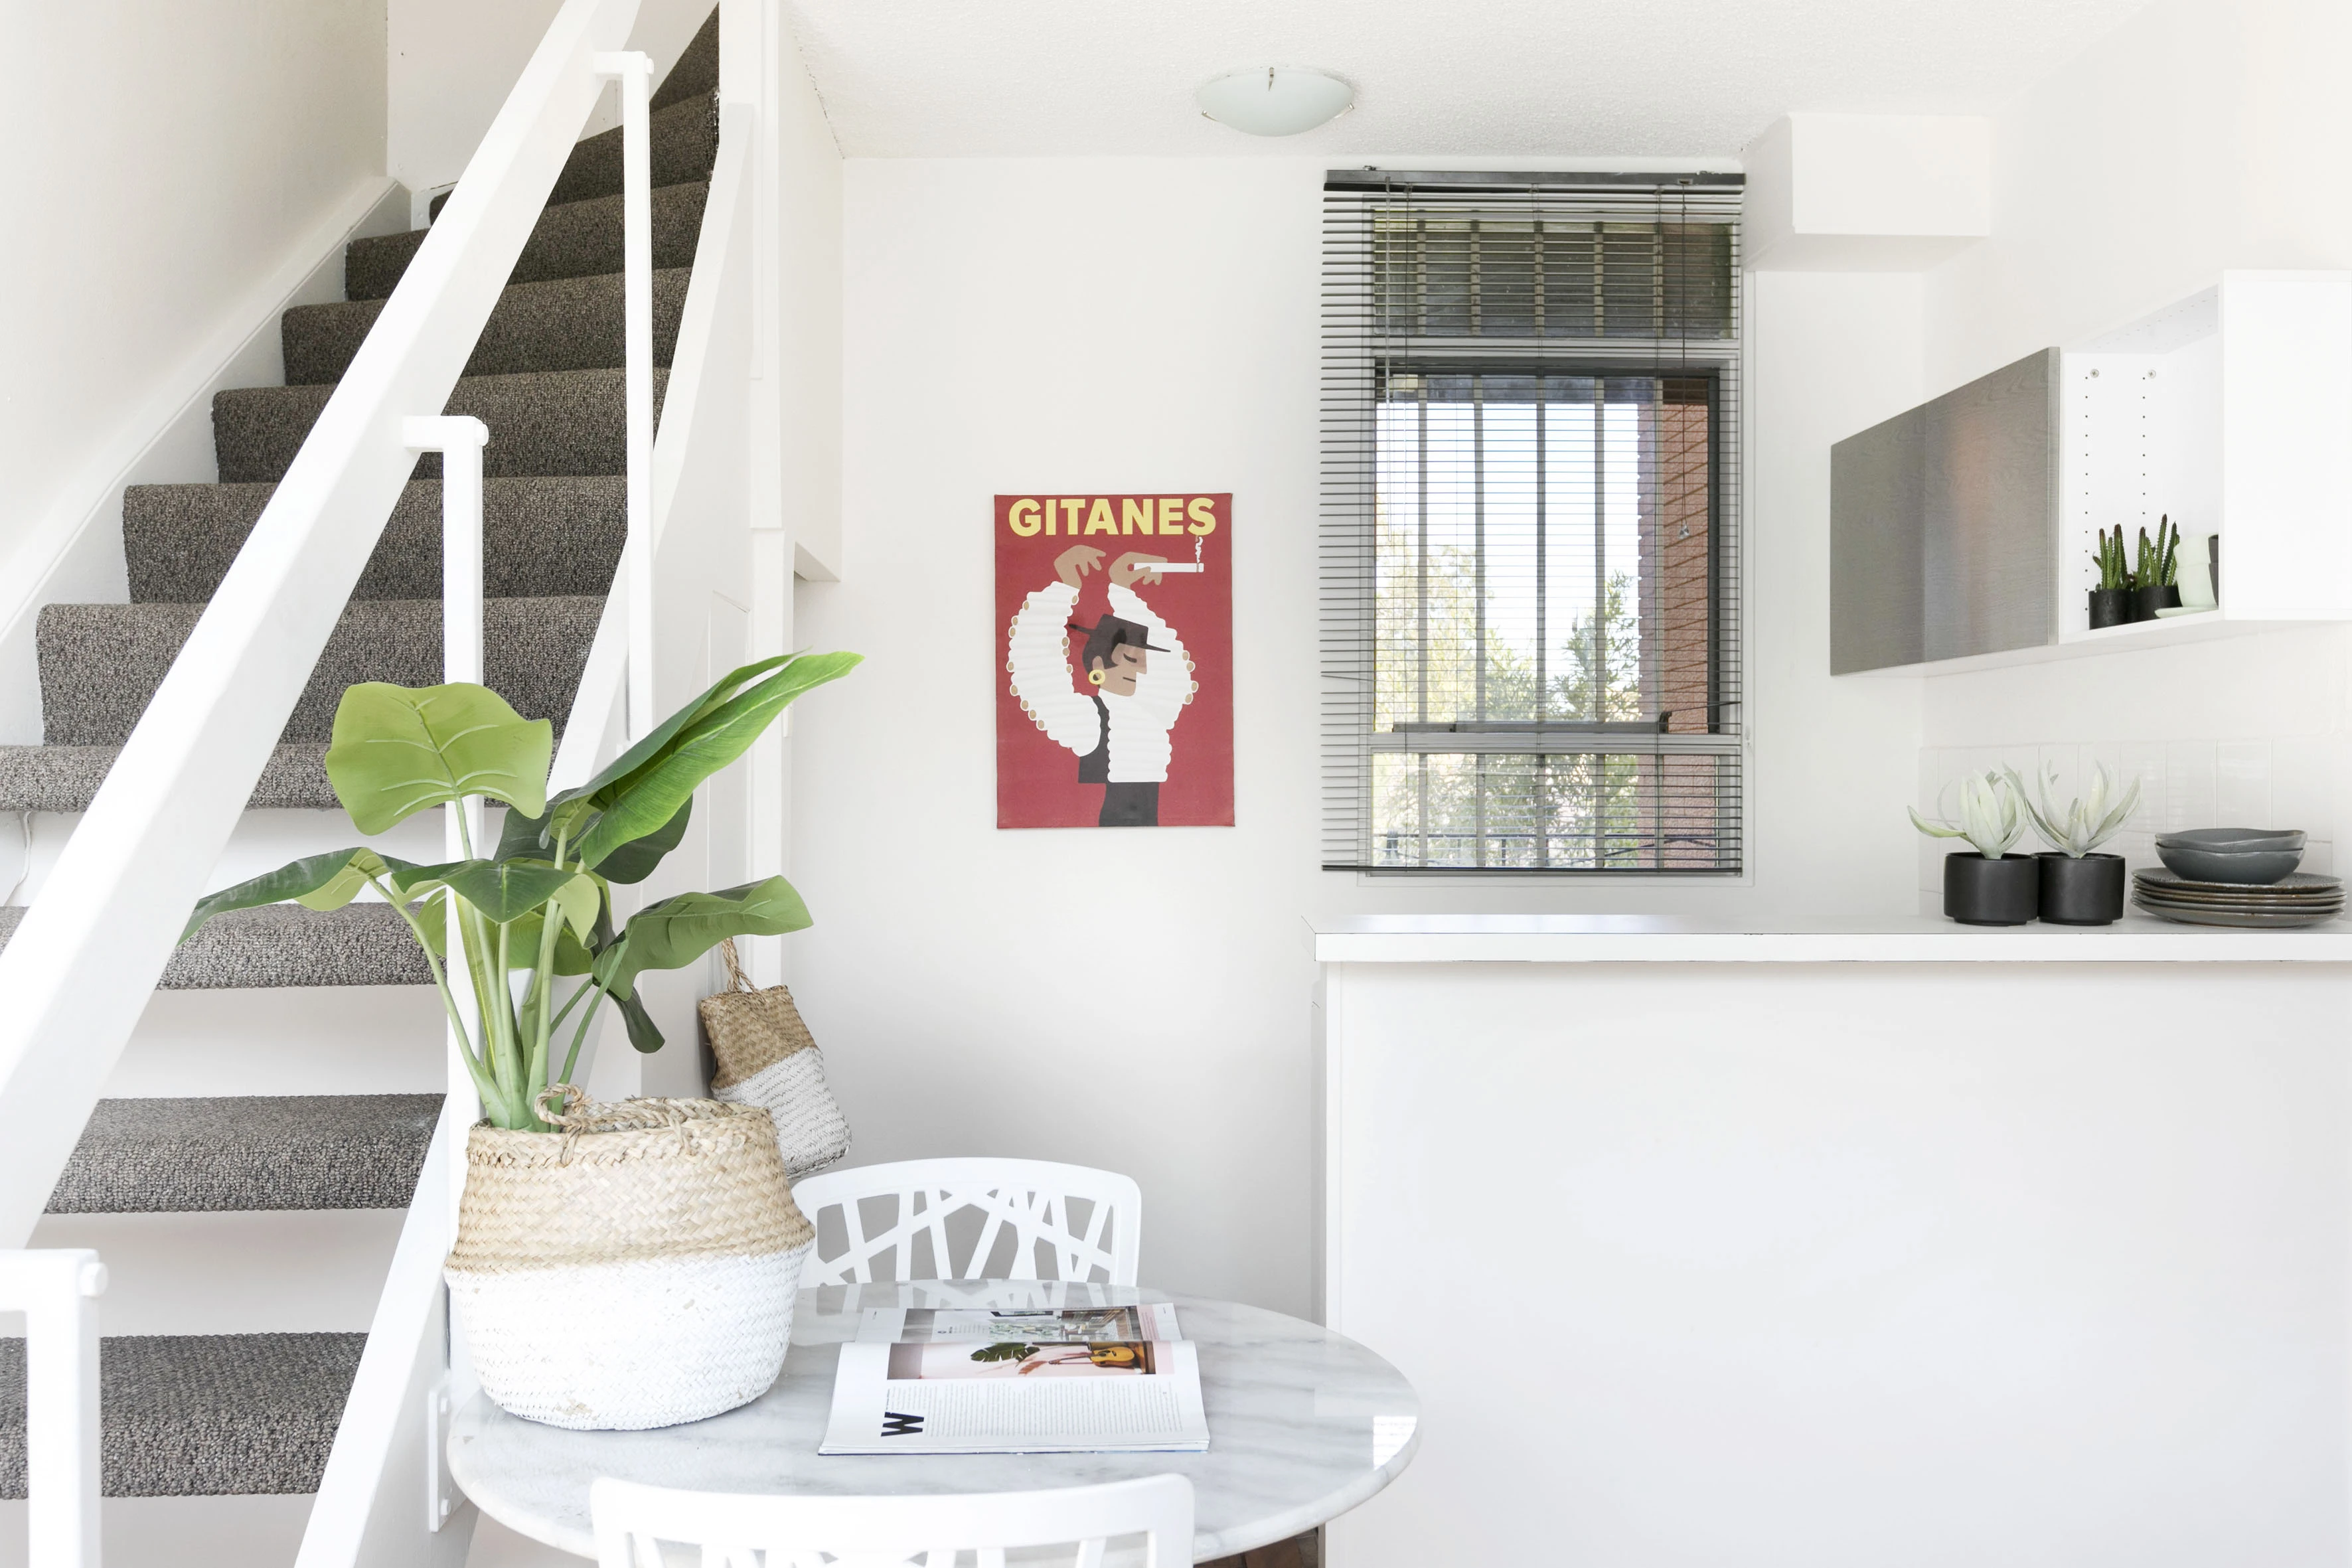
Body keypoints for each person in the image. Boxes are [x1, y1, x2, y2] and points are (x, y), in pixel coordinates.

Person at [1008, 545, 1193, 826]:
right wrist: (1066, 587)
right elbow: (1037, 671)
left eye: (1144, 662)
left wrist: (1123, 591)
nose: (1141, 670)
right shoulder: (1092, 719)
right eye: (1130, 659)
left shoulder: (1149, 712)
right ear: (1099, 665)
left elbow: (1174, 670)